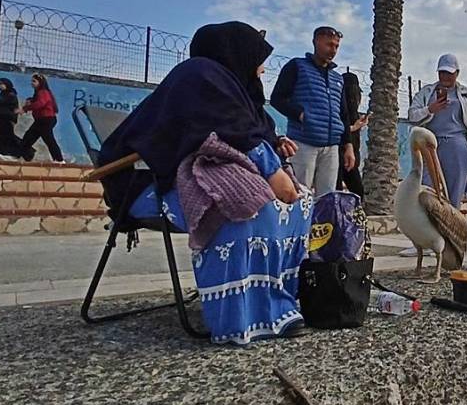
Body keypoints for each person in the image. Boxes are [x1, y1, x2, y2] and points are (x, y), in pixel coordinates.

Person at [98, 21, 310, 344]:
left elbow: (248, 128)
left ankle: (280, 302)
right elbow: (230, 128)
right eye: (258, 59)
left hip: (191, 178)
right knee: (244, 203)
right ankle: (242, 316)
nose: (262, 70)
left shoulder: (235, 89)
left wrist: (275, 143)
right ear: (236, 52)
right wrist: (269, 168)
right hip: (148, 187)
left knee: (301, 200)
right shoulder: (199, 74)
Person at [270, 26, 355, 197]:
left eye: (336, 46)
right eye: (329, 44)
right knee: (300, 194)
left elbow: (343, 115)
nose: (333, 50)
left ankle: (323, 225)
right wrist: (300, 115)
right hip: (303, 143)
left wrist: (348, 146)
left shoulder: (337, 78)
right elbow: (277, 99)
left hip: (331, 147)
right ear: (316, 42)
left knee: (327, 197)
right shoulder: (297, 66)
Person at [408, 54, 467, 207]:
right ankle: (428, 227)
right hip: (430, 144)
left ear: (457, 73)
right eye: (442, 72)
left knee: (453, 193)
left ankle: (450, 226)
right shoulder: (426, 92)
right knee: (426, 190)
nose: (445, 76)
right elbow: (412, 115)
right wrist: (430, 109)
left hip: (457, 145)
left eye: (449, 73)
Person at [18, 73, 65, 163]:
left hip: (46, 120)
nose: (32, 83)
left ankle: (59, 160)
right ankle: (26, 157)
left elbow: (41, 103)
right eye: (31, 81)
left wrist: (26, 108)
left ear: (40, 82)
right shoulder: (38, 93)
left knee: (49, 140)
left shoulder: (43, 92)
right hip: (40, 121)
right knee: (27, 139)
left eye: (34, 81)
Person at [337, 71, 367, 199]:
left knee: (357, 193)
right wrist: (353, 127)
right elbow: (335, 128)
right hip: (339, 154)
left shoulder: (352, 110)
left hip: (350, 156)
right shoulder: (340, 108)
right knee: (337, 191)